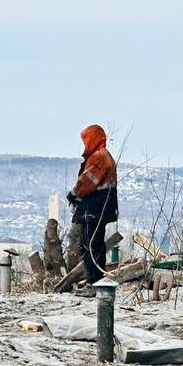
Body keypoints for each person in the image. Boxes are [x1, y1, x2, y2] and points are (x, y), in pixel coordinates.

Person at [66, 124, 118, 291]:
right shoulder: (103, 155)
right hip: (99, 208)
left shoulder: (99, 157)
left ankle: (94, 283)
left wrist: (73, 195)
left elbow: (87, 181)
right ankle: (96, 281)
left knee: (90, 246)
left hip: (94, 208)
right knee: (93, 245)